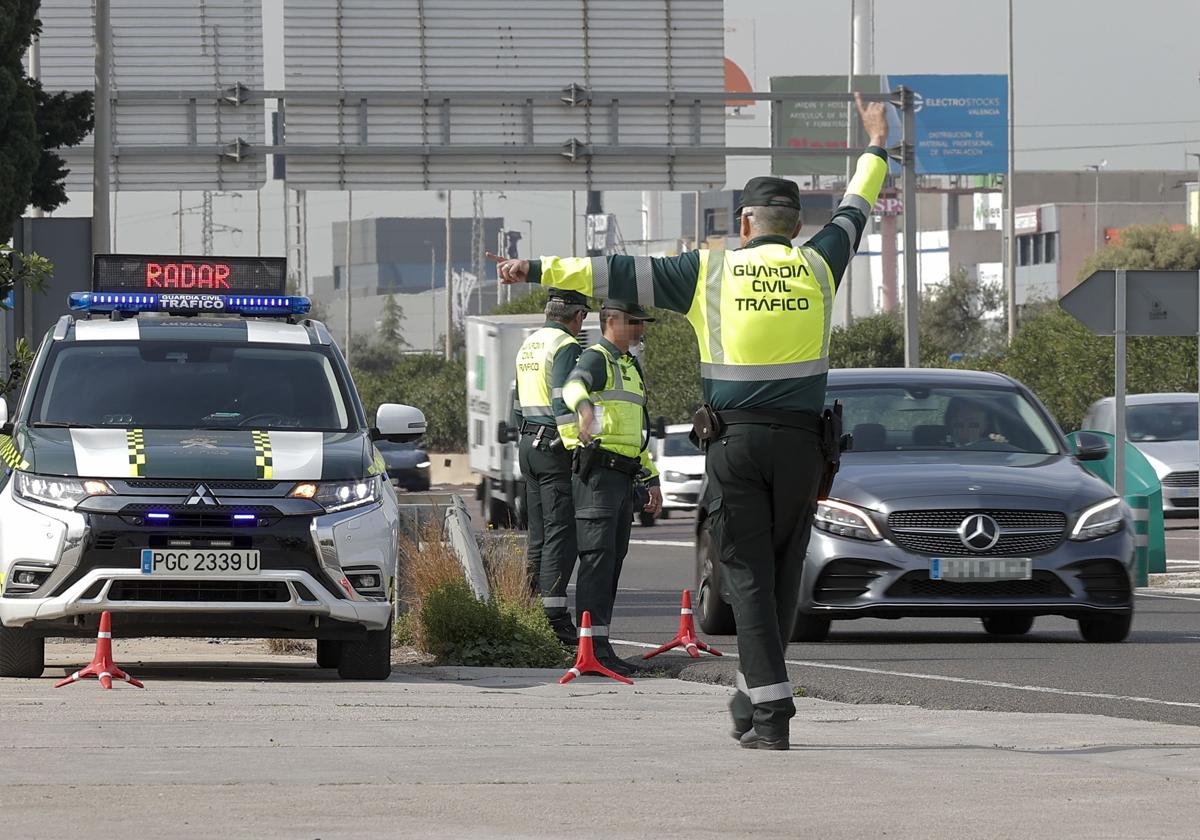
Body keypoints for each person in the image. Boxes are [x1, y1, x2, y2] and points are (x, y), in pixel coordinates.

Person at [489, 94, 890, 749]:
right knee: (785, 570)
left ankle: (773, 711)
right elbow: (857, 207)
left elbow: (614, 270)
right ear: (793, 226)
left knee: (747, 571)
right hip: (803, 448)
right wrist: (876, 143)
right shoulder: (821, 265)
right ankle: (751, 694)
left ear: (745, 222)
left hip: (736, 444)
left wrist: (532, 269)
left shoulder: (711, 272)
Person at [559, 300, 663, 677]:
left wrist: (651, 479)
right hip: (598, 475)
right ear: (610, 321)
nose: (640, 329)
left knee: (612, 562)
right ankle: (589, 651)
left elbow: (636, 433)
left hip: (623, 475)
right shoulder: (597, 357)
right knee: (597, 561)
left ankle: (600, 647)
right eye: (633, 322)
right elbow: (573, 386)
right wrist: (585, 411)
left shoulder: (629, 365)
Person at [514, 288, 591, 645]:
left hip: (528, 444)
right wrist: (577, 445)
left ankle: (528, 607)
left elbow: (516, 403)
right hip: (552, 446)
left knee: (539, 533)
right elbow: (563, 398)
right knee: (562, 533)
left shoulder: (529, 344)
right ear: (577, 316)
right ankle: (555, 617)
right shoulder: (566, 346)